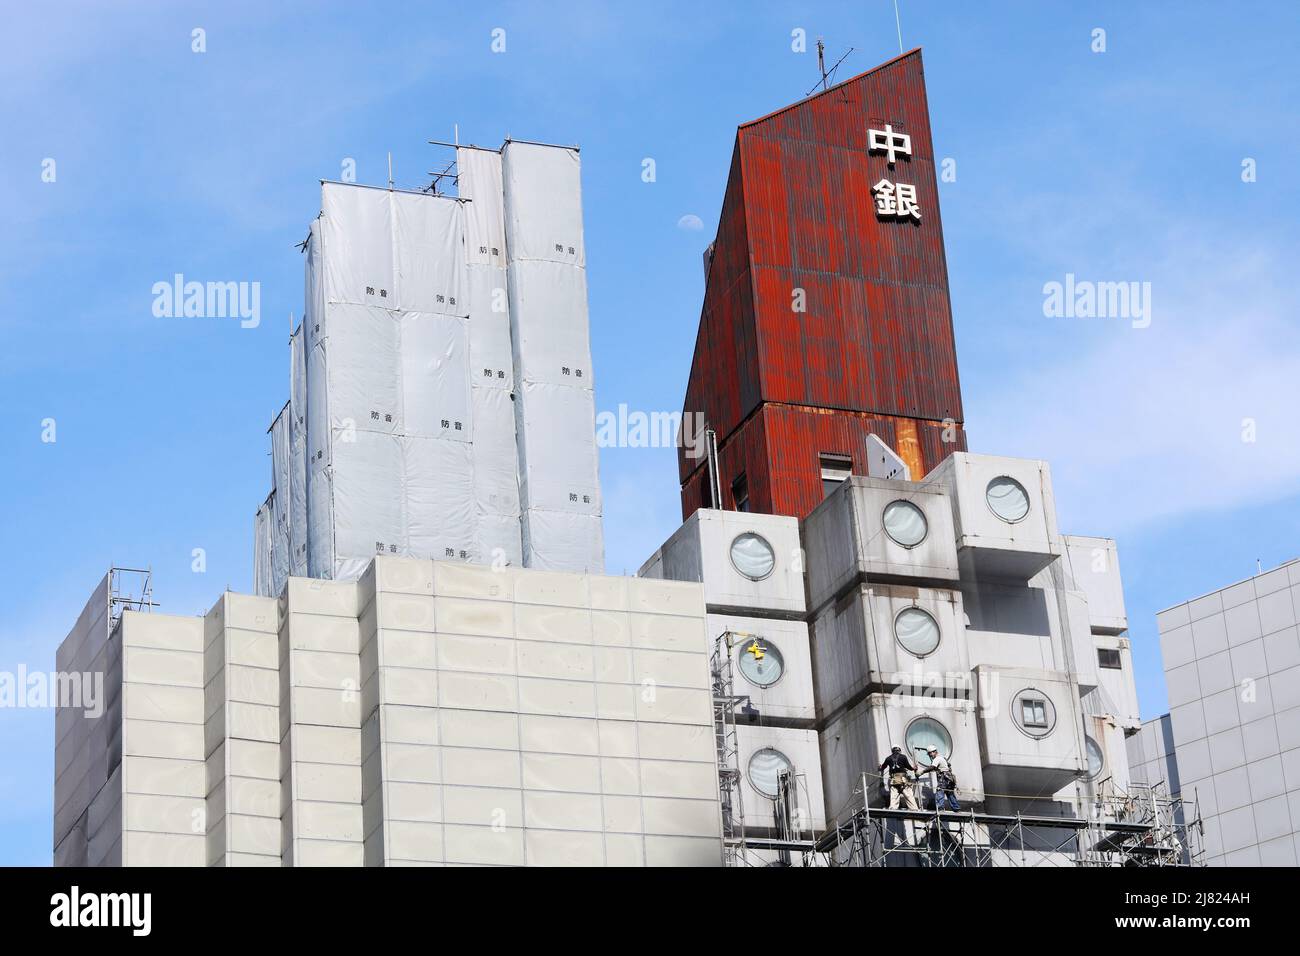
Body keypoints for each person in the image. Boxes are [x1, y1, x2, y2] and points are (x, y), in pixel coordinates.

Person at [919, 745, 960, 811]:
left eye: (930, 754)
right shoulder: (943, 758)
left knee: (940, 791)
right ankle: (956, 808)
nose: (930, 756)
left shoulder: (937, 758)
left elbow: (932, 767)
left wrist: (922, 772)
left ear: (934, 752)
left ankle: (940, 809)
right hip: (949, 778)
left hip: (944, 777)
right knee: (950, 793)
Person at [878, 746, 919, 810]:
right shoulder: (903, 757)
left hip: (894, 780)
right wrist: (913, 768)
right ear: (899, 750)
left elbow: (883, 767)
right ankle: (914, 809)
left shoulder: (888, 758)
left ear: (892, 751)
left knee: (894, 796)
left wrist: (880, 768)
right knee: (908, 795)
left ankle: (893, 809)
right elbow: (908, 766)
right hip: (903, 780)